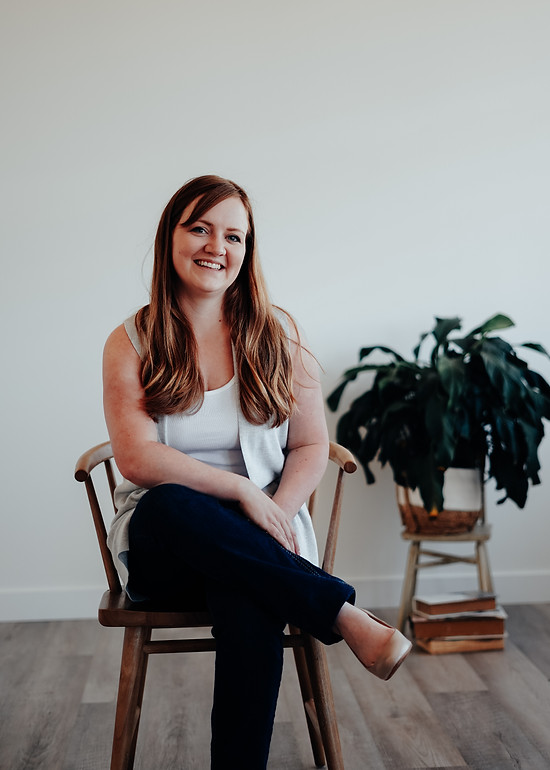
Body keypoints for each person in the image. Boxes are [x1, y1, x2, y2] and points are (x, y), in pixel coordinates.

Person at [103, 174, 411, 769]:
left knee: (248, 595)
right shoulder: (132, 341)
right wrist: (243, 492)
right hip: (166, 549)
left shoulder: (277, 334)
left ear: (247, 250)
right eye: (200, 228)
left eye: (233, 236)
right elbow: (138, 459)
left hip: (264, 544)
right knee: (170, 503)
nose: (216, 247)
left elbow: (311, 445)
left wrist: (277, 512)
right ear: (170, 237)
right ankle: (340, 612)